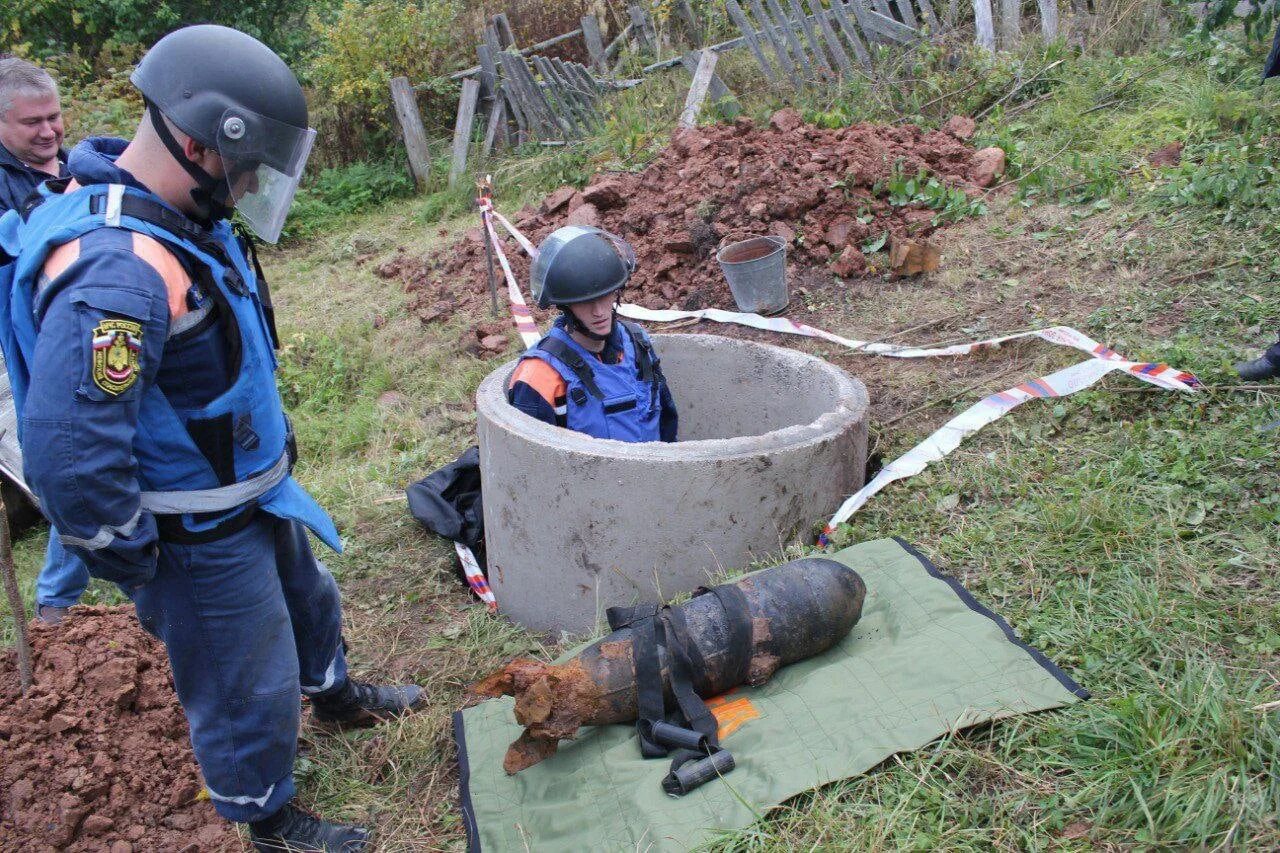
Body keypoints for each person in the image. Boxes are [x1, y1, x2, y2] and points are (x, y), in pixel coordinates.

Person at [0, 26, 419, 851]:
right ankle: (266, 812)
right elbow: (72, 448)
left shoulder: (183, 211)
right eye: (249, 163)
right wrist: (126, 550)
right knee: (241, 677)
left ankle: (334, 694)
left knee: (308, 603)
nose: (255, 181)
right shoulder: (118, 273)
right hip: (192, 527)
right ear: (198, 143)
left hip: (247, 487)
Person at [0, 57, 90, 624]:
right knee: (62, 465)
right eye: (31, 122)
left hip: (83, 335)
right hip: (22, 357)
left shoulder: (69, 160)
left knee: (94, 456)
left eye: (53, 117)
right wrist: (54, 203)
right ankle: (56, 605)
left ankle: (62, 597)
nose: (48, 131)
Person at [507, 226, 678, 442]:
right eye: (585, 302)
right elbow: (531, 462)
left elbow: (667, 425)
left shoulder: (638, 344)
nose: (599, 312)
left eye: (605, 295)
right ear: (565, 306)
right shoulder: (539, 376)